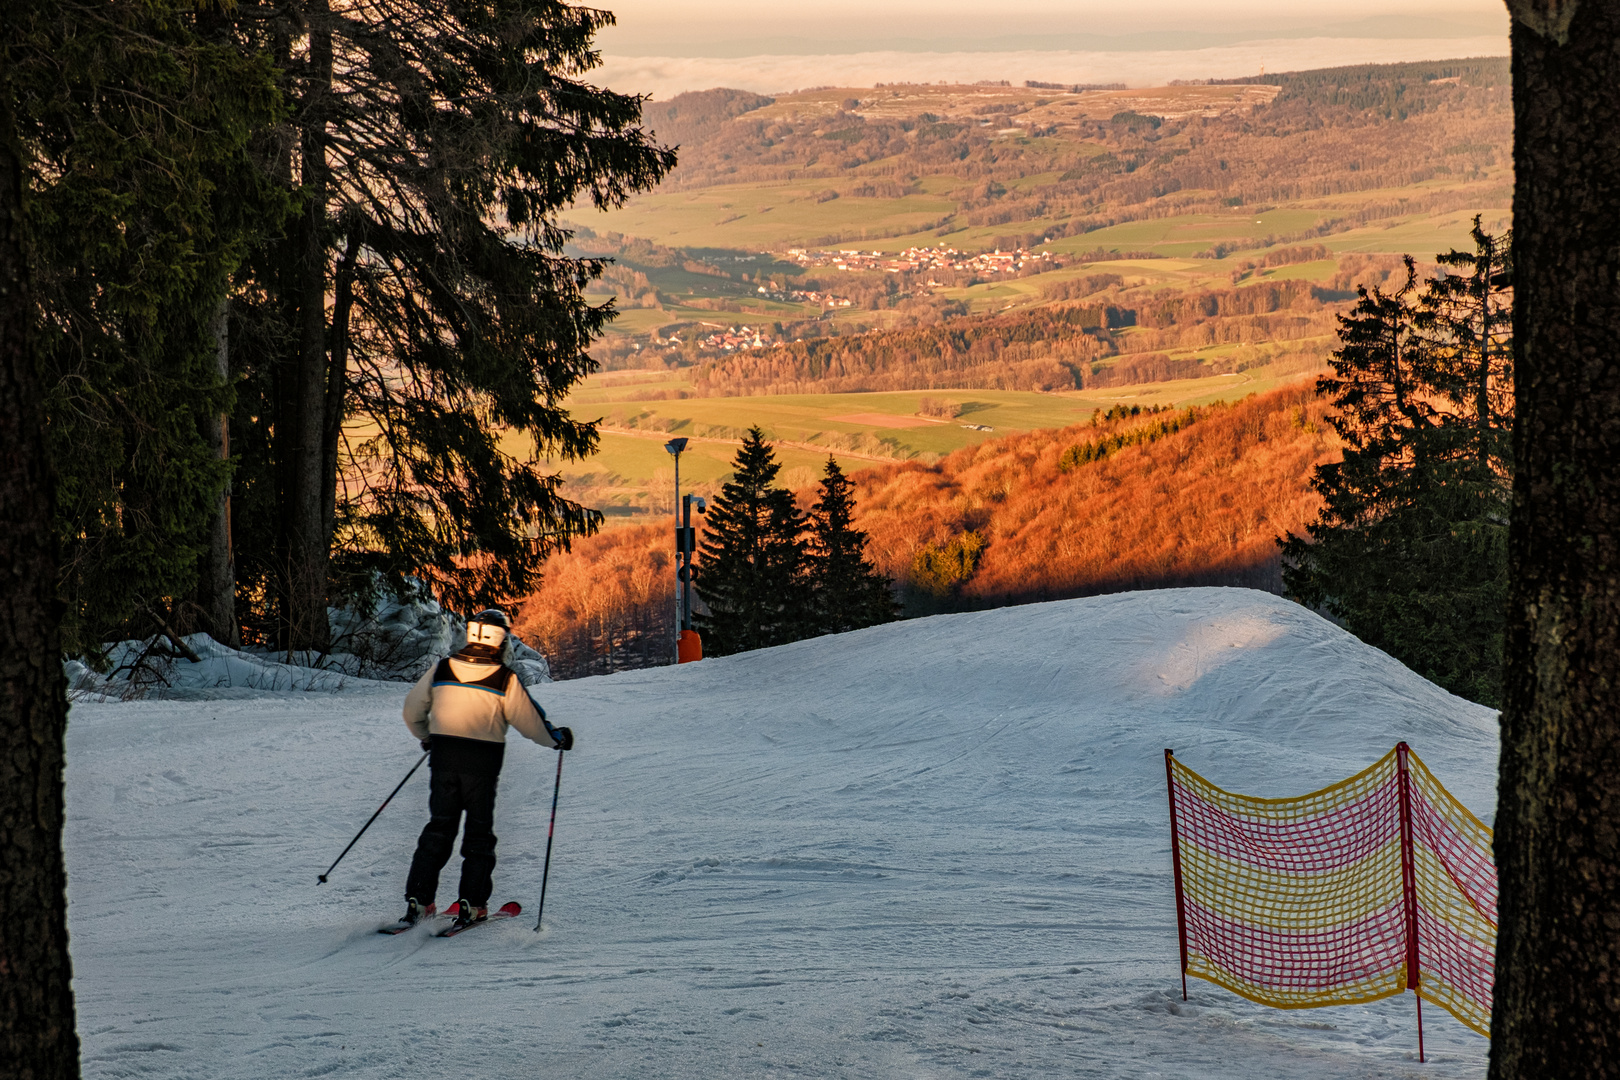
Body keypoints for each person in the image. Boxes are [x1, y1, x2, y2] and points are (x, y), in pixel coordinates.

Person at [397, 608, 572, 931]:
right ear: (501, 639)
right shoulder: (504, 678)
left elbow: (412, 711)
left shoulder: (443, 668)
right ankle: (472, 904)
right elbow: (531, 723)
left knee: (438, 829)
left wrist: (427, 737)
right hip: (482, 767)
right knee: (478, 835)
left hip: (444, 762)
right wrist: (556, 739)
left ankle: (419, 902)